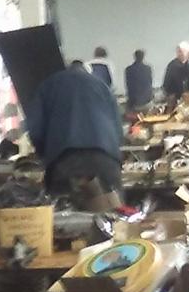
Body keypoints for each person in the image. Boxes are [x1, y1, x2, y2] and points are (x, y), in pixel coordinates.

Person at [25, 65, 123, 197]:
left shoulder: (48, 86)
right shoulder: (102, 86)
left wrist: (45, 155)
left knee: (65, 207)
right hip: (105, 160)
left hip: (65, 160)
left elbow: (35, 129)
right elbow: (118, 131)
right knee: (112, 207)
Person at [161, 41, 189, 108]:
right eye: (178, 51)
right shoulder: (172, 65)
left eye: (181, 51)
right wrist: (169, 94)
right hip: (176, 98)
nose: (179, 54)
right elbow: (167, 83)